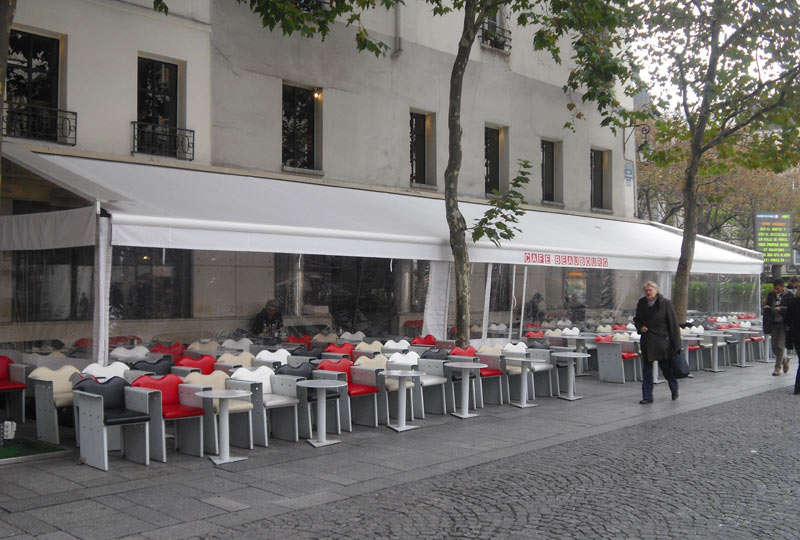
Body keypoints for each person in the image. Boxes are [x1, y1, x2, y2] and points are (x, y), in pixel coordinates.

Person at [633, 281, 681, 404]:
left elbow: (673, 325)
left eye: (650, 290)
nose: (648, 292)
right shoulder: (642, 303)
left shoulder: (666, 303)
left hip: (661, 343)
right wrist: (640, 327)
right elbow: (637, 319)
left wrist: (676, 345)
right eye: (646, 290)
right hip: (647, 341)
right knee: (647, 370)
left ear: (656, 291)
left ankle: (674, 389)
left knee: (666, 369)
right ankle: (647, 396)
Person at [765, 278, 792, 376]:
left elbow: (791, 308)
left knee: (780, 345)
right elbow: (768, 304)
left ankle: (777, 368)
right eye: (774, 289)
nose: (776, 291)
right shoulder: (771, 295)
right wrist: (767, 307)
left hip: (783, 323)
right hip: (773, 322)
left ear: (782, 287)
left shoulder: (789, 295)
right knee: (774, 346)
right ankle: (784, 360)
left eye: (777, 289)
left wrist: (782, 308)